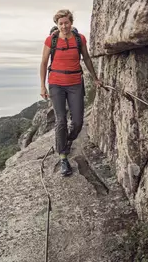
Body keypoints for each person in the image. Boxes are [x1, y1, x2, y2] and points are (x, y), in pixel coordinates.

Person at [40, 9, 102, 176]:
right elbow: (44, 62)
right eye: (60, 23)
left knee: (78, 122)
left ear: (71, 22)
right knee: (61, 120)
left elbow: (87, 58)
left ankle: (66, 140)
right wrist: (42, 86)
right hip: (56, 84)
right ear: (57, 25)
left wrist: (95, 78)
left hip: (75, 83)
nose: (64, 26)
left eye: (66, 22)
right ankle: (63, 158)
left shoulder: (79, 39)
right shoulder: (51, 40)